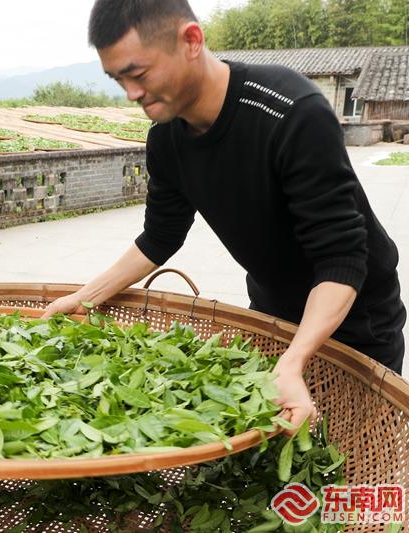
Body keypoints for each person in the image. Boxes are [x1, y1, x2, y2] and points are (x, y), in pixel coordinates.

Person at [44, 0, 406, 431]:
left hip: (353, 316)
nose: (131, 93)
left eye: (138, 74)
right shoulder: (166, 139)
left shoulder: (291, 112)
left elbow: (343, 258)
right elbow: (160, 236)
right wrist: (83, 297)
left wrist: (294, 361)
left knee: (345, 453)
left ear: (191, 41)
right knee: (274, 445)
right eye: (118, 78)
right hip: (271, 308)